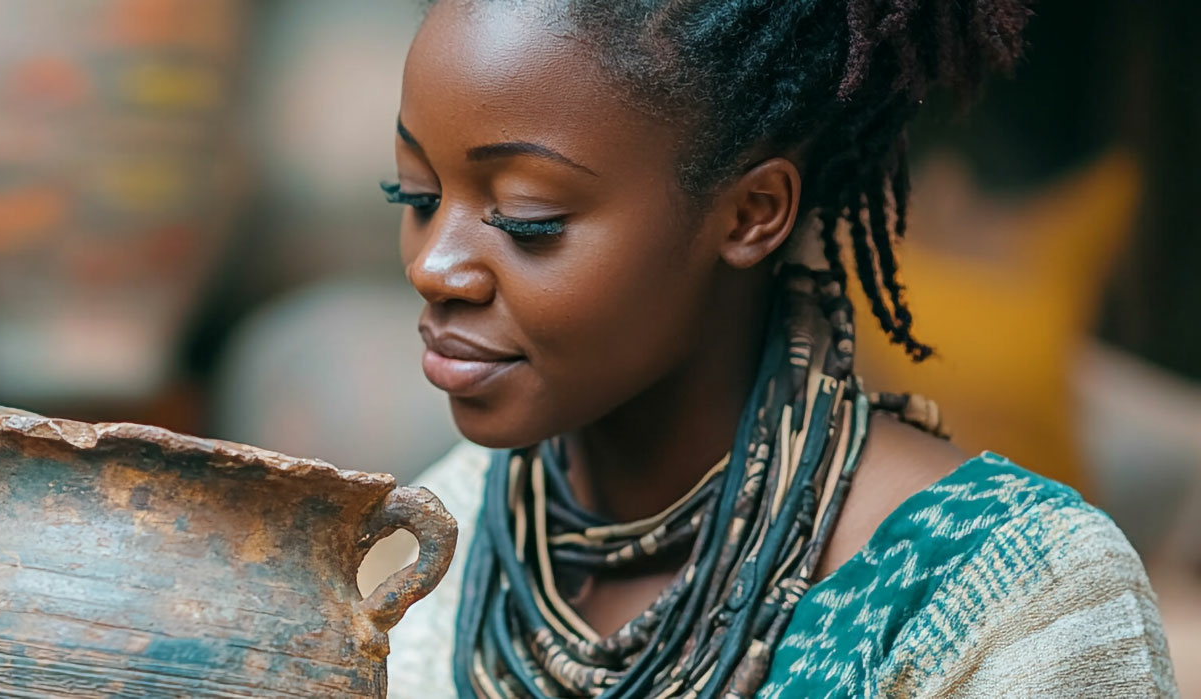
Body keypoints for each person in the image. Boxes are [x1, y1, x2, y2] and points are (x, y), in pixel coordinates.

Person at [377, 0, 1177, 696]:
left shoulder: (1008, 598)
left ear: (752, 212)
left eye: (527, 216)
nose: (430, 264)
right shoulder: (434, 548)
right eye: (416, 194)